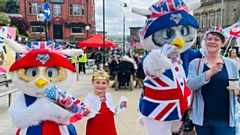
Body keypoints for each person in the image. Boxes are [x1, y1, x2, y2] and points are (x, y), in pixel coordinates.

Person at [187, 26, 239, 135]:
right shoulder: (195, 64)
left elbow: (236, 86)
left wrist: (237, 91)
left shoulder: (232, 65)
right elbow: (191, 85)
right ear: (205, 42)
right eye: (209, 39)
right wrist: (210, 72)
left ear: (222, 44)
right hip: (202, 120)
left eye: (216, 39)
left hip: (225, 120)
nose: (212, 42)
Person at [83, 70, 127, 135]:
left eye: (103, 83)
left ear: (108, 84)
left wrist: (121, 106)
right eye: (97, 82)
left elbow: (112, 110)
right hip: (95, 125)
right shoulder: (90, 98)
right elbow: (83, 109)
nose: (100, 85)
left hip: (108, 125)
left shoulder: (109, 96)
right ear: (92, 83)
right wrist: (85, 111)